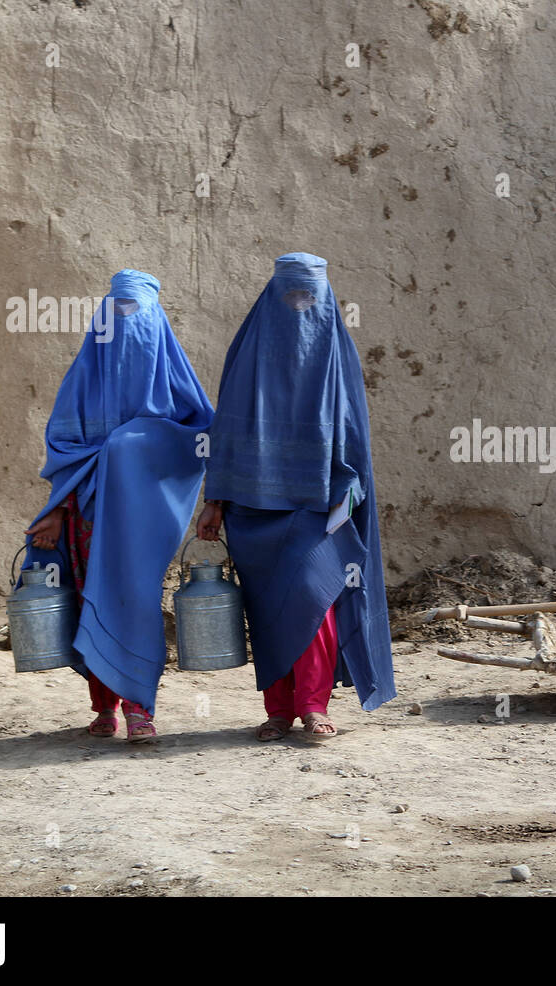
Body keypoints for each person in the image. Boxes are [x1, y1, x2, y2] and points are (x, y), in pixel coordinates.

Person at [196, 252, 395, 740]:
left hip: (317, 506)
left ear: (325, 301)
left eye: (310, 297)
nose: (300, 306)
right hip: (252, 508)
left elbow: (352, 433)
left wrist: (348, 492)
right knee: (267, 612)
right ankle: (278, 710)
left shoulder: (336, 354)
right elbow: (228, 431)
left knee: (314, 598)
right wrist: (215, 500)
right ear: (272, 297)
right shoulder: (248, 354)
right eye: (291, 295)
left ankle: (312, 703)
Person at [24, 270, 213, 742]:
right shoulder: (83, 380)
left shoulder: (175, 383)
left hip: (144, 522)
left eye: (137, 312)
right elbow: (66, 450)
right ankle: (104, 707)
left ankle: (140, 708)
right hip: (85, 517)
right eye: (118, 311)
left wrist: (135, 442)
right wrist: (59, 508)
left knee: (135, 602)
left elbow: (201, 440)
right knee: (93, 599)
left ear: (156, 323)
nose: (127, 321)